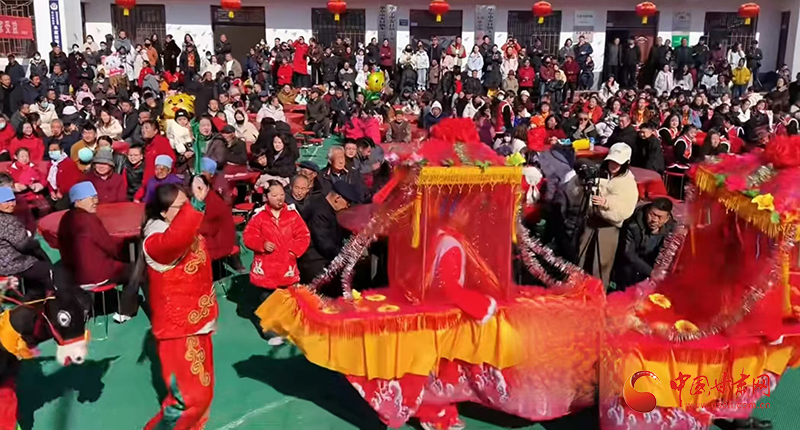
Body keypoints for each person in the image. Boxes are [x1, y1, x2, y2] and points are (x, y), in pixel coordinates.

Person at [142, 179, 216, 430]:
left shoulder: (182, 228)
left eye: (187, 205)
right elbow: (174, 242)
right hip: (178, 330)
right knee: (189, 399)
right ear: (164, 212)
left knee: (204, 392)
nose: (187, 210)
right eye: (181, 206)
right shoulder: (156, 242)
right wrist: (195, 206)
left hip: (197, 322)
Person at [58, 181, 138, 321]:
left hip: (73, 274)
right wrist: (124, 251)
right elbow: (110, 247)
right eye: (91, 198)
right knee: (135, 270)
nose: (96, 201)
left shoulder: (65, 219)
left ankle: (93, 303)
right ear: (77, 202)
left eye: (96, 197)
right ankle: (125, 311)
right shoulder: (89, 220)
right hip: (95, 276)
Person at [242, 180, 310, 345]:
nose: (279, 198)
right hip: (266, 267)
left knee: (288, 300)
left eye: (281, 194)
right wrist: (262, 244)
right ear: (266, 197)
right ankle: (271, 332)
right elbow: (248, 236)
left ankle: (289, 328)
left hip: (287, 266)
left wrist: (293, 251)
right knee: (267, 301)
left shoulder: (293, 215)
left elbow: (304, 235)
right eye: (274, 195)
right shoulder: (259, 217)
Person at [578, 142, 638, 286]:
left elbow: (625, 210)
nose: (614, 165)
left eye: (618, 163)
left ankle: (597, 293)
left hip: (608, 227)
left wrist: (606, 203)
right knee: (582, 257)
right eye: (612, 161)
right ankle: (577, 288)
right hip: (590, 221)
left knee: (601, 264)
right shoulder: (598, 172)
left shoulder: (627, 183)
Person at [297, 181, 359, 286]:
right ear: (337, 199)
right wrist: (347, 255)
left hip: (324, 260)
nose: (347, 207)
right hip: (315, 263)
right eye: (347, 203)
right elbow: (325, 244)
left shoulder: (325, 206)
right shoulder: (320, 212)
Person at [0, 186, 54, 296]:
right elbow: (23, 244)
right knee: (48, 271)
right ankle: (52, 299)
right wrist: (35, 243)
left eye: (12, 200)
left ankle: (34, 297)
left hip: (4, 261)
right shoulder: (8, 221)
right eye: (6, 202)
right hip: (12, 263)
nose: (11, 204)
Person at [614, 197, 676, 289]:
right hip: (633, 267)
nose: (654, 220)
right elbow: (629, 254)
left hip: (655, 266)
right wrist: (651, 272)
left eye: (660, 217)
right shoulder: (633, 225)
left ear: (667, 219)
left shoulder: (672, 229)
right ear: (647, 211)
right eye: (652, 214)